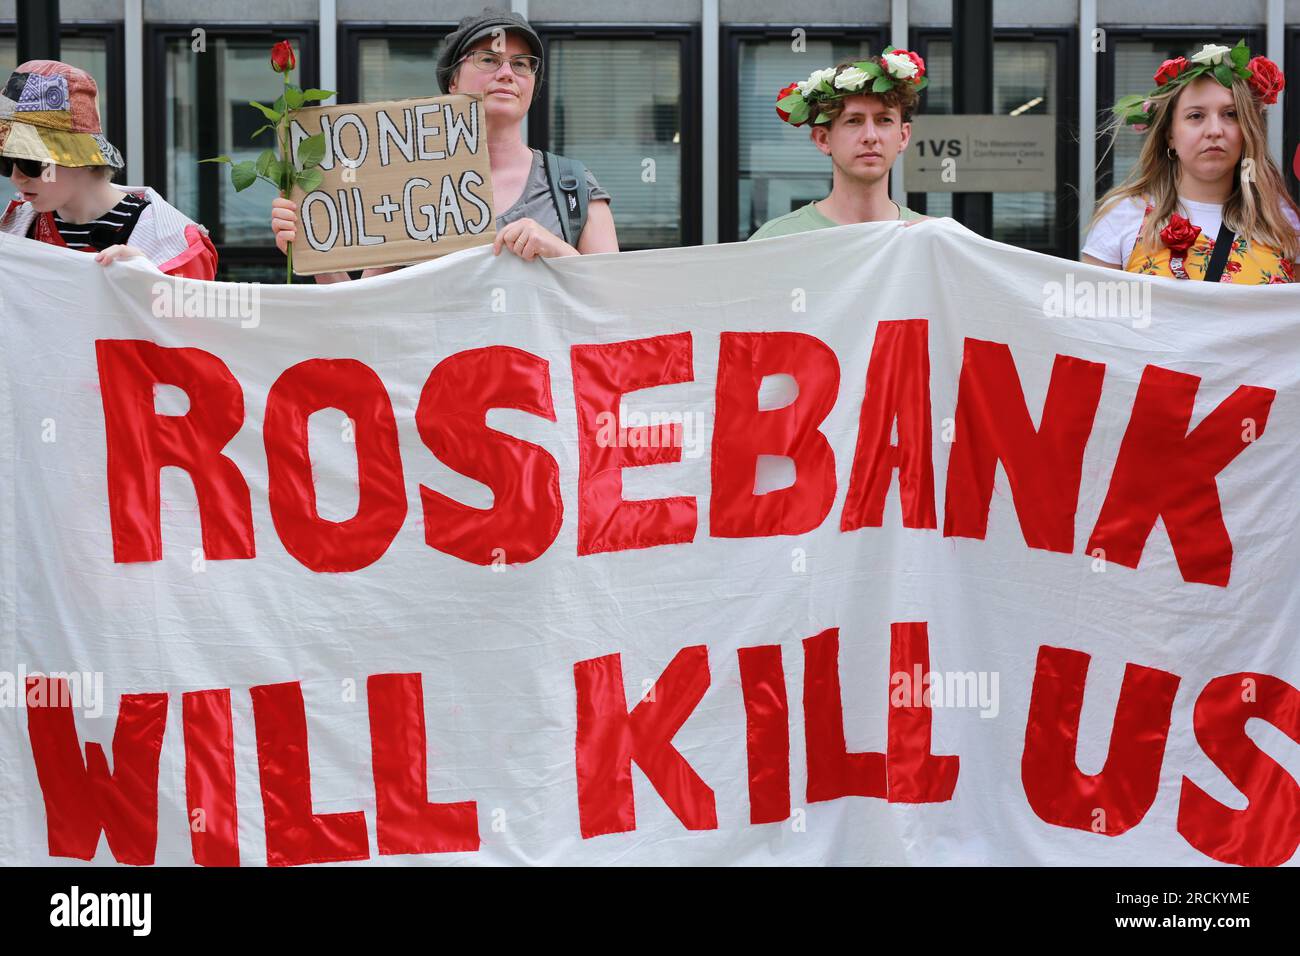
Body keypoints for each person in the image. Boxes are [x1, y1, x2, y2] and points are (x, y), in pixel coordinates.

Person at [271, 7, 618, 282]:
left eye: (521, 64)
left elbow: (618, 302)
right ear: (453, 81)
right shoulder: (404, 187)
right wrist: (309, 247)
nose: (507, 73)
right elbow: (361, 313)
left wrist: (556, 251)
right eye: (488, 59)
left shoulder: (572, 186)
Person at [1083, 40, 1298, 283]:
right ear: (1170, 135)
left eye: (1230, 114)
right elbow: (1093, 306)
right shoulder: (1123, 215)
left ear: (1247, 130)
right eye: (1196, 116)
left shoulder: (1281, 220)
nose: (1215, 130)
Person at [0, 60, 217, 279]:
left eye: (30, 162)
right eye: (6, 162)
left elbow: (192, 300)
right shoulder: (15, 230)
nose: (16, 177)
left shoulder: (173, 245)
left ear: (80, 156)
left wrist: (149, 280)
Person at [749, 48, 929, 240]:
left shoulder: (928, 236)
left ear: (903, 136)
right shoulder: (776, 240)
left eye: (884, 120)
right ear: (823, 139)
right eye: (854, 121)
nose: (870, 136)